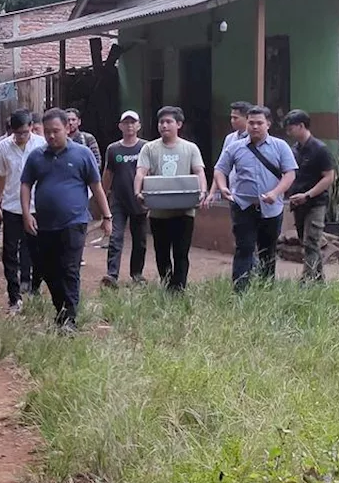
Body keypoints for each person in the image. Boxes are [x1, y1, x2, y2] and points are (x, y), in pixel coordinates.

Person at [21, 108, 113, 331]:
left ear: (67, 128)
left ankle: (69, 319)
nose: (51, 136)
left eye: (56, 131)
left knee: (69, 269)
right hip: (44, 223)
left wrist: (107, 216)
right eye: (47, 132)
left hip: (74, 222)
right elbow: (25, 185)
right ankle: (60, 309)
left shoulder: (82, 154)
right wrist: (26, 214)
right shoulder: (36, 156)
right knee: (48, 269)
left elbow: (96, 186)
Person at [213, 105, 298, 292]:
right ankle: (240, 291)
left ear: (268, 124)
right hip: (243, 206)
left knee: (268, 250)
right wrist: (223, 187)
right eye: (251, 123)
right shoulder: (235, 147)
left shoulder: (280, 146)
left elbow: (289, 174)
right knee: (244, 248)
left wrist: (275, 193)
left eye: (259, 123)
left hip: (271, 207)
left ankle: (266, 288)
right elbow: (220, 169)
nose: (255, 127)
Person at [135, 106, 207, 292]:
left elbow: (199, 171)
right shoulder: (149, 148)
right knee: (161, 253)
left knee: (181, 253)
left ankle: (179, 289)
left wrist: (202, 192)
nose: (164, 125)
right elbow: (140, 172)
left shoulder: (190, 148)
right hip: (158, 212)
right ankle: (167, 286)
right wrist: (138, 192)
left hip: (184, 211)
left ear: (179, 124)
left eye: (169, 122)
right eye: (161, 122)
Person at [0, 110, 46, 315]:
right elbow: (0, 177)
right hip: (12, 206)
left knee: (36, 250)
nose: (21, 136)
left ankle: (34, 286)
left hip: (36, 206)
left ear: (31, 126)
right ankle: (14, 295)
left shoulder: (41, 144)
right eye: (17, 133)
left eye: (24, 132)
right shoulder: (4, 146)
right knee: (9, 252)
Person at [284, 110, 336, 284]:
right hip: (298, 203)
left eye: (291, 128)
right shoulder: (294, 150)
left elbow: (329, 177)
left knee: (311, 241)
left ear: (301, 126)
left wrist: (308, 195)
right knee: (305, 243)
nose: (288, 132)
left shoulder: (320, 149)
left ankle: (305, 282)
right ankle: (319, 281)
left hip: (315, 203)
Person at [101, 111, 148, 288]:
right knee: (115, 237)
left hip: (140, 201)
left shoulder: (146, 147)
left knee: (140, 240)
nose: (129, 126)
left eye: (132, 122)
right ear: (120, 126)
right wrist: (103, 197)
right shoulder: (113, 149)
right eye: (125, 123)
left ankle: (137, 274)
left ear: (138, 126)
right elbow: (108, 174)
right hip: (118, 201)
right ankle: (112, 274)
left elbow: (150, 172)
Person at [218, 101, 252, 200]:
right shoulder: (230, 138)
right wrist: (214, 191)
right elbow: (221, 167)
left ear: (247, 118)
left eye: (236, 118)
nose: (232, 121)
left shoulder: (256, 138)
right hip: (234, 191)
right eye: (231, 118)